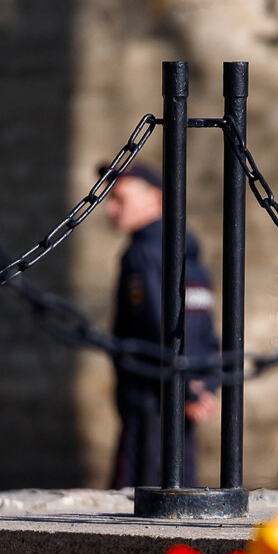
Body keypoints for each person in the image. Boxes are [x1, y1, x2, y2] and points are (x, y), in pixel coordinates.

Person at [103, 161, 221, 488]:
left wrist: (184, 388)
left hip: (149, 404)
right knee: (181, 498)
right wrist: (202, 387)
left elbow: (157, 328)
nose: (111, 209)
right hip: (184, 402)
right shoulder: (190, 256)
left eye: (120, 199)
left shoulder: (141, 254)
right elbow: (207, 335)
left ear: (155, 200)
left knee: (134, 503)